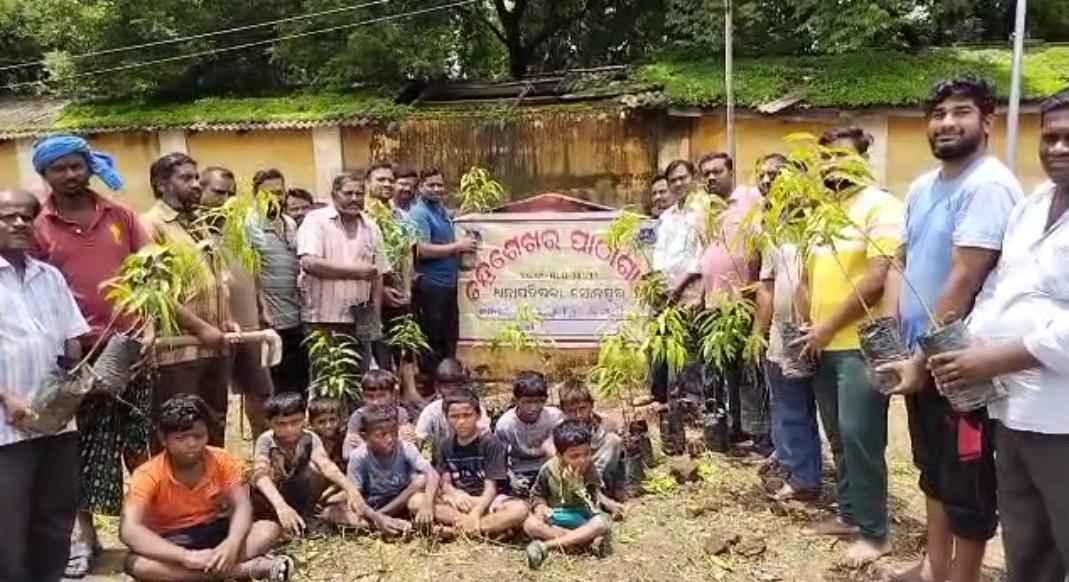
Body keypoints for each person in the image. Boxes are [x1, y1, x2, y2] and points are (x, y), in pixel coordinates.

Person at [879, 77, 1020, 582]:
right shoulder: (923, 187)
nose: (946, 123)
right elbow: (902, 260)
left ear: (988, 121)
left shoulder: (988, 185)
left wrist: (920, 360)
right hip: (924, 360)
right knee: (933, 471)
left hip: (962, 366)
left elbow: (965, 278)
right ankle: (934, 569)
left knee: (968, 482)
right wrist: (896, 341)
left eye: (961, 112)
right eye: (938, 114)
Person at [925, 87, 1069, 582]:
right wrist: (965, 347)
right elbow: (997, 292)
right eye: (1050, 137)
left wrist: (996, 359)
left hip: (1062, 419)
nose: (1058, 148)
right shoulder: (1032, 207)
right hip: (1013, 412)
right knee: (1027, 548)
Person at [30, 134, 154, 576]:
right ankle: (83, 538)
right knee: (77, 449)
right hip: (76, 357)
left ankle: (148, 529)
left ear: (88, 167)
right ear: (45, 175)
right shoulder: (37, 226)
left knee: (140, 443)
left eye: (76, 166)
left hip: (132, 348)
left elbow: (149, 276)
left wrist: (151, 326)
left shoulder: (121, 216)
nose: (70, 175)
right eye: (59, 169)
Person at [794, 127, 903, 567]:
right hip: (822, 345)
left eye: (842, 156)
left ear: (863, 159)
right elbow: (806, 278)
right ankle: (850, 515)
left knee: (861, 437)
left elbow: (877, 279)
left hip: (861, 345)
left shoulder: (880, 205)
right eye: (825, 159)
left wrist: (825, 327)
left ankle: (876, 534)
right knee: (838, 437)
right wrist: (808, 324)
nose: (832, 165)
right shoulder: (822, 214)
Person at [0, 188, 89, 582]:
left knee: (55, 516)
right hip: (6, 429)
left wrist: (72, 382)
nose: (19, 223)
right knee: (8, 525)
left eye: (26, 216)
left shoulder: (49, 277)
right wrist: (6, 397)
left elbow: (72, 337)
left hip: (55, 422)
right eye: (8, 216)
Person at [121, 395, 292, 581]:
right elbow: (129, 529)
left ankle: (198, 574)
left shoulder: (223, 460)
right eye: (181, 438)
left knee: (267, 530)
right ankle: (247, 569)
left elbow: (241, 506)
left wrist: (232, 544)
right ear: (164, 439)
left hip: (215, 532)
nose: (192, 444)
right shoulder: (147, 474)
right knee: (136, 564)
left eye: (198, 436)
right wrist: (186, 557)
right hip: (171, 541)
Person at [141, 153, 237, 447]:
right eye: (186, 178)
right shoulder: (150, 225)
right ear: (161, 185)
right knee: (181, 432)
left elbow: (214, 278)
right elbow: (154, 292)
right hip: (179, 353)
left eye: (196, 177)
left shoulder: (197, 222)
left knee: (213, 427)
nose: (196, 184)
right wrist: (201, 328)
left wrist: (226, 320)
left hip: (214, 347)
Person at [754, 153, 823, 501]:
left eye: (776, 175)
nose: (767, 181)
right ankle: (797, 470)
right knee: (786, 404)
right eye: (762, 175)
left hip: (819, 330)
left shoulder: (820, 223)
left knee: (811, 407)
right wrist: (760, 333)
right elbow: (767, 285)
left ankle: (807, 473)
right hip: (783, 333)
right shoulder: (773, 229)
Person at [698, 151, 769, 452]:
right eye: (706, 173)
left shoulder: (751, 199)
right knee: (726, 371)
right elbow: (709, 253)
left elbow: (758, 246)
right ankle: (736, 428)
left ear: (731, 172)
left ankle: (761, 435)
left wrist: (752, 287)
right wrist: (703, 297)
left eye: (717, 171)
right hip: (716, 305)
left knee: (751, 370)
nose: (711, 177)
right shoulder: (710, 209)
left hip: (743, 302)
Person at [201, 167, 275, 438]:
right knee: (215, 405)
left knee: (261, 392)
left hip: (249, 325)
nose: (226, 200)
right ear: (200, 190)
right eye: (219, 192)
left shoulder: (239, 228)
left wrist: (262, 305)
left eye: (231, 194)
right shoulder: (193, 232)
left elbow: (253, 269)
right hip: (214, 331)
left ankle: (262, 454)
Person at [297, 171, 389, 373]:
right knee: (329, 381)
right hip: (323, 320)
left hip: (361, 320)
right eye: (348, 193)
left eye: (359, 193)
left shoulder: (371, 227)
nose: (354, 198)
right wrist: (356, 272)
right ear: (334, 195)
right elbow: (309, 263)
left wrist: (375, 316)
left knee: (361, 379)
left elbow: (378, 274)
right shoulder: (316, 221)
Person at [252, 393, 374, 535]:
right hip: (273, 496)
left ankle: (307, 515)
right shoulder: (266, 440)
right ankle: (279, 520)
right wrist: (281, 506)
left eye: (295, 422)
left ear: (304, 418)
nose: (289, 429)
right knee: (263, 475)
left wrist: (350, 489)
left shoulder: (310, 438)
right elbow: (260, 476)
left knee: (315, 468)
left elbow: (326, 465)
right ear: (269, 423)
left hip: (298, 490)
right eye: (281, 424)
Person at [422, 387, 529, 537]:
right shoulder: (444, 445)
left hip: (486, 500)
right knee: (416, 501)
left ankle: (456, 531)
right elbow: (445, 483)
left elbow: (491, 489)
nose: (461, 421)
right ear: (446, 417)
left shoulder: (490, 443)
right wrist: (456, 494)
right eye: (454, 416)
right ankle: (483, 528)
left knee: (519, 510)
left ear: (478, 415)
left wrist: (476, 512)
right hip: (460, 501)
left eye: (467, 415)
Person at [640, 159, 705, 406]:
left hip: (691, 290)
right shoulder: (667, 217)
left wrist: (678, 288)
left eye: (682, 178)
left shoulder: (703, 211)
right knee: (665, 345)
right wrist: (659, 284)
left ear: (693, 178)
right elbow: (660, 252)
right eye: (673, 180)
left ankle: (693, 401)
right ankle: (671, 400)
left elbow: (700, 256)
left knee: (689, 349)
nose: (677, 183)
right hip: (666, 292)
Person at [523, 420, 624, 570]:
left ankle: (546, 545)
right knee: (530, 524)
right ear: (559, 455)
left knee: (601, 522)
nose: (582, 460)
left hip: (581, 517)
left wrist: (579, 486)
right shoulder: (548, 470)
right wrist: (541, 508)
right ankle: (583, 541)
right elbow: (537, 494)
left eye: (587, 454)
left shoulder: (589, 468)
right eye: (574, 456)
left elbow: (593, 499)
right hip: (556, 517)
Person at [409, 169, 478, 377]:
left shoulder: (440, 211)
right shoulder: (419, 213)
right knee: (433, 341)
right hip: (431, 286)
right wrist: (458, 247)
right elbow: (420, 250)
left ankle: (449, 381)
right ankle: (432, 383)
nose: (437, 189)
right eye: (431, 185)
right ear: (420, 187)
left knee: (449, 338)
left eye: (440, 185)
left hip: (448, 285)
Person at [246, 169, 309, 397]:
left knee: (302, 378)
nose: (276, 198)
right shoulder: (250, 225)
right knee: (280, 382)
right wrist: (262, 308)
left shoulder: (289, 223)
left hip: (298, 313)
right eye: (268, 193)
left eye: (279, 192)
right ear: (256, 195)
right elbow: (251, 270)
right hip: (272, 317)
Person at [346, 404, 439, 533]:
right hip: (373, 506)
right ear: (365, 436)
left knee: (420, 489)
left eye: (394, 433)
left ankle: (382, 522)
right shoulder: (359, 456)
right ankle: (399, 525)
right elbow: (356, 497)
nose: (390, 439)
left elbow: (432, 474)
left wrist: (427, 505)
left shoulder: (405, 447)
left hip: (403, 501)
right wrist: (371, 514)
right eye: (381, 435)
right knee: (333, 512)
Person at [495, 371, 564, 497]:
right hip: (520, 471)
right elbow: (500, 461)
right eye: (527, 402)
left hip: (548, 467)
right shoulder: (505, 425)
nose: (533, 408)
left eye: (539, 402)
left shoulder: (554, 417)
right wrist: (512, 479)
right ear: (516, 401)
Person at [558, 379, 625, 499]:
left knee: (613, 440)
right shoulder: (559, 428)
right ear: (563, 410)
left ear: (591, 405)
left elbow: (620, 459)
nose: (578, 415)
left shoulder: (605, 424)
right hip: (573, 474)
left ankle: (601, 489)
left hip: (599, 470)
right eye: (572, 411)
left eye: (582, 408)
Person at [415, 358, 492, 450]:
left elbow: (485, 438)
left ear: (463, 385)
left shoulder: (474, 409)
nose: (452, 390)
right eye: (446, 386)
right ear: (438, 388)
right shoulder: (431, 413)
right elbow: (422, 442)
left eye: (456, 385)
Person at [342, 370, 416, 458]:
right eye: (370, 396)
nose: (376, 402)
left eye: (382, 396)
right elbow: (346, 453)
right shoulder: (358, 417)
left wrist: (365, 446)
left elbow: (408, 445)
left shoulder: (399, 414)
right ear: (362, 395)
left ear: (393, 394)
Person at [307, 396, 346, 468]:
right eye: (321, 422)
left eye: (332, 420)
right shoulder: (308, 443)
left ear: (340, 419)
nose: (328, 426)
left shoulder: (344, 441)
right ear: (311, 424)